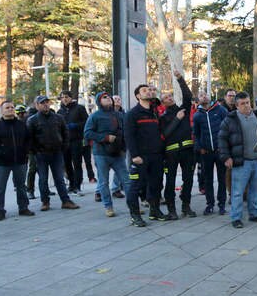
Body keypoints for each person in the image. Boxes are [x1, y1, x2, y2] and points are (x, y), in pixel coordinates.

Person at [217, 91, 257, 228]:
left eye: (247, 102)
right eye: (242, 104)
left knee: (256, 190)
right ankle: (236, 217)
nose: (246, 106)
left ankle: (255, 213)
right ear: (236, 105)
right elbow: (221, 139)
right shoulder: (230, 120)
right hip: (241, 162)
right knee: (238, 192)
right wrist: (226, 157)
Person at [26, 95, 80, 211]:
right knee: (43, 179)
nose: (45, 104)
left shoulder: (58, 118)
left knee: (59, 178)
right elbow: (29, 139)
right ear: (37, 105)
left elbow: (65, 133)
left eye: (47, 102)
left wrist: (63, 147)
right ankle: (45, 202)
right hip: (41, 154)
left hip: (57, 153)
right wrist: (35, 151)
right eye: (42, 103)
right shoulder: (32, 120)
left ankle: (65, 201)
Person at [125, 84, 167, 226]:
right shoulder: (133, 114)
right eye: (144, 91)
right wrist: (135, 155)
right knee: (136, 187)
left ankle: (154, 211)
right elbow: (129, 136)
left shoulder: (154, 113)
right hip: (140, 157)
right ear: (138, 96)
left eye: (149, 90)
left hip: (156, 156)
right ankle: (135, 215)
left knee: (155, 185)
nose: (148, 92)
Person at [0, 101, 34, 221]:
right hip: (2, 163)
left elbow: (29, 139)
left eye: (12, 107)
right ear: (2, 111)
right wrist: (0, 153)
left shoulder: (21, 125)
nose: (10, 109)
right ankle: (0, 210)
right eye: (7, 108)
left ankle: (23, 207)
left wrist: (25, 151)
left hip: (20, 161)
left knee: (21, 186)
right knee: (0, 187)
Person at [84, 92, 129, 219]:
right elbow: (87, 133)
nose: (108, 98)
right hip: (101, 153)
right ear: (99, 101)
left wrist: (124, 148)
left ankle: (132, 205)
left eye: (108, 96)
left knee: (126, 180)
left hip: (118, 153)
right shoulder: (94, 116)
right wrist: (105, 138)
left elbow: (126, 132)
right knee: (103, 182)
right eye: (104, 97)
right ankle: (108, 207)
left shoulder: (120, 115)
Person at [161, 71, 197, 218]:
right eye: (165, 98)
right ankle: (171, 209)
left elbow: (188, 96)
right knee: (170, 181)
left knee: (188, 179)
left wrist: (180, 79)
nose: (169, 98)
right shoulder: (163, 117)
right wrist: (176, 119)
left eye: (170, 96)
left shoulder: (183, 109)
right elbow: (166, 134)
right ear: (163, 103)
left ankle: (186, 205)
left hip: (187, 151)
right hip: (171, 154)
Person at [193, 91, 229, 215]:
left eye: (205, 94)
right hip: (206, 152)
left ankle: (222, 204)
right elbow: (196, 134)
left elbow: (228, 128)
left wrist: (224, 147)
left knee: (222, 179)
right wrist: (199, 148)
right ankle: (210, 204)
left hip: (220, 151)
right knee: (208, 179)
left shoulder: (221, 110)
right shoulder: (197, 115)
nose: (204, 96)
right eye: (201, 95)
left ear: (210, 97)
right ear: (198, 99)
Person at [57, 91, 90, 195]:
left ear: (71, 98)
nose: (64, 99)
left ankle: (77, 185)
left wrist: (75, 125)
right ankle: (71, 184)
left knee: (77, 163)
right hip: (65, 141)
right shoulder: (60, 111)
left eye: (66, 97)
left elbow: (87, 122)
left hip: (77, 139)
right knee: (66, 164)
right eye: (62, 98)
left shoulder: (79, 108)